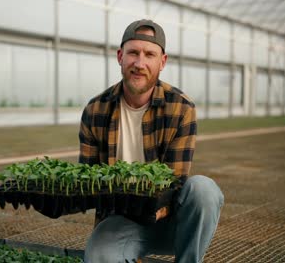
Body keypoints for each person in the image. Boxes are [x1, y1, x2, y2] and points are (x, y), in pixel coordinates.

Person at [78, 19, 224, 263]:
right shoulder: (95, 110)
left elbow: (174, 181)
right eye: (133, 53)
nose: (139, 63)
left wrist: (150, 209)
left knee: (203, 190)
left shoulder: (180, 107)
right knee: (98, 255)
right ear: (120, 57)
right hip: (122, 222)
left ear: (162, 61)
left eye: (149, 54)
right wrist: (66, 197)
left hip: (172, 221)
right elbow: (89, 179)